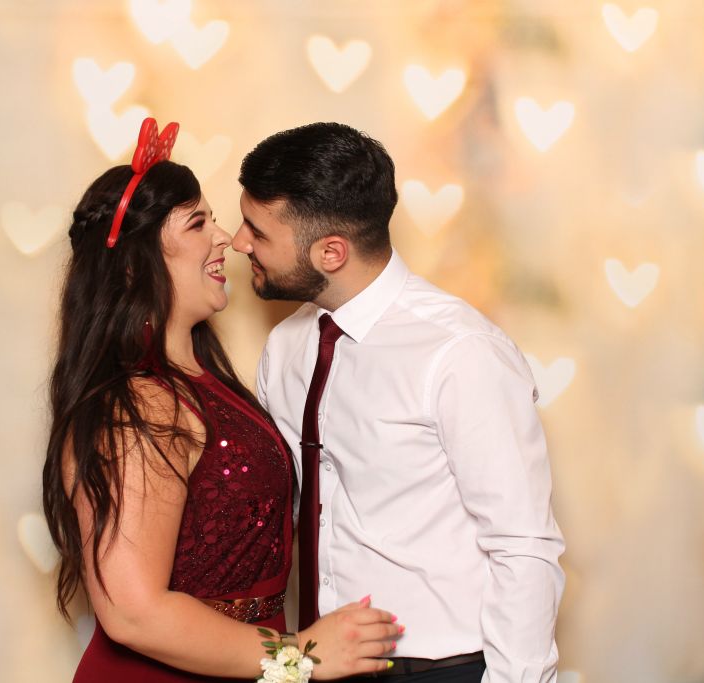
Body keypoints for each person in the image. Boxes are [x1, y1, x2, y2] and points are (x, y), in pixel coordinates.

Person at [42, 118, 401, 683]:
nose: (226, 238)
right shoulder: (140, 404)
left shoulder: (204, 382)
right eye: (197, 223)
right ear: (134, 265)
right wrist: (300, 657)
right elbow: (133, 612)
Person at [231, 122, 566, 683]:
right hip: (316, 663)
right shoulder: (286, 347)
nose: (238, 242)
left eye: (257, 232)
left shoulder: (461, 353)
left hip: (445, 669)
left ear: (331, 252)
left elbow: (523, 544)